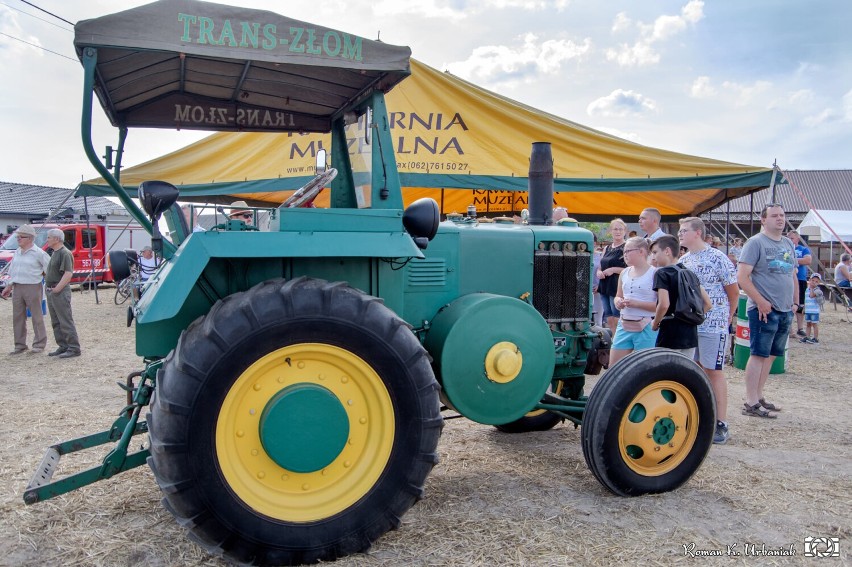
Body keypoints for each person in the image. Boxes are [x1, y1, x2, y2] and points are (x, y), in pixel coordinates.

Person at [678, 217, 739, 444]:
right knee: (694, 369)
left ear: (698, 233)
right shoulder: (684, 259)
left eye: (684, 230)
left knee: (714, 370)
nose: (680, 234)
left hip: (714, 324)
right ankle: (698, 416)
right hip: (691, 324)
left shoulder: (718, 257)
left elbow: (733, 291)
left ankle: (721, 423)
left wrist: (728, 316)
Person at [737, 203, 797, 419]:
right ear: (763, 220)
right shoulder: (755, 243)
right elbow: (742, 277)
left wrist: (795, 303)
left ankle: (759, 396)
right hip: (764, 309)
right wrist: (761, 301)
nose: (779, 219)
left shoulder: (788, 243)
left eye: (782, 215)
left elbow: (792, 274)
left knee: (771, 356)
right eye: (774, 216)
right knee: (758, 354)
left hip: (784, 308)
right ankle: (751, 401)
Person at [650, 235, 711, 360]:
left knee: (665, 371)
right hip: (690, 333)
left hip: (670, 332)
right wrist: (689, 317)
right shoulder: (689, 272)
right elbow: (708, 304)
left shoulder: (662, 273)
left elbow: (664, 304)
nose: (653, 257)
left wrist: (655, 322)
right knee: (683, 374)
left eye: (655, 252)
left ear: (667, 251)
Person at [1, 225, 50, 355]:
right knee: (18, 317)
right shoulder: (17, 252)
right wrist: (9, 285)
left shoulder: (39, 253)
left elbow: (49, 269)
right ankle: (20, 345)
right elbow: (14, 271)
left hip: (33, 286)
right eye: (17, 236)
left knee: (36, 316)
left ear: (29, 238)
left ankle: (39, 344)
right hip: (17, 287)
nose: (18, 239)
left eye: (20, 237)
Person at [609, 237, 658, 365]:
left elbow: (661, 305)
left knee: (645, 367)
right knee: (614, 366)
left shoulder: (655, 273)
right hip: (624, 323)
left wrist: (636, 304)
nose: (624, 255)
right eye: (624, 252)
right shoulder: (624, 272)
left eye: (628, 251)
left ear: (641, 251)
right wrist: (618, 302)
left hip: (647, 325)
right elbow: (617, 296)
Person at [44, 229, 81, 358]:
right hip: (51, 290)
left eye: (49, 237)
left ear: (57, 239)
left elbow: (68, 273)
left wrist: (57, 289)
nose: (47, 240)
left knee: (65, 320)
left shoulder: (65, 253)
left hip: (58, 291)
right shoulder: (55, 253)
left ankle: (74, 348)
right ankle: (63, 346)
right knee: (56, 321)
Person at [597, 219, 628, 335]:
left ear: (625, 231)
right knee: (608, 317)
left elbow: (631, 269)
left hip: (616, 286)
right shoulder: (607, 248)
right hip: (604, 285)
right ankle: (614, 341)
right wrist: (599, 272)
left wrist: (614, 270)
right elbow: (600, 266)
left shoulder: (626, 247)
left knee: (616, 316)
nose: (618, 231)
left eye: (621, 229)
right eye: (615, 229)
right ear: (611, 231)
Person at [786, 230, 812, 337]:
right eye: (789, 238)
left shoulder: (803, 249)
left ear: (797, 239)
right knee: (789, 303)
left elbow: (808, 260)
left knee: (800, 304)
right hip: (788, 279)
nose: (790, 240)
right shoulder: (785, 249)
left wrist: (793, 260)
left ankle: (800, 328)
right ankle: (789, 329)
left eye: (792, 238)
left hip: (800, 279)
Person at [800, 273, 823, 344]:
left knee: (814, 324)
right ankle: (807, 336)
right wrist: (804, 308)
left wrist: (812, 288)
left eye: (816, 281)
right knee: (808, 324)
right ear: (809, 280)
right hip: (808, 310)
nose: (814, 282)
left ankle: (815, 338)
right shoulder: (807, 289)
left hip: (814, 311)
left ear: (819, 283)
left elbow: (811, 296)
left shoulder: (818, 290)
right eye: (813, 280)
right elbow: (806, 299)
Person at [592, 235, 603, 327]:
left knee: (597, 319)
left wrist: (600, 286)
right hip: (583, 291)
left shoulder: (600, 256)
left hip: (597, 290)